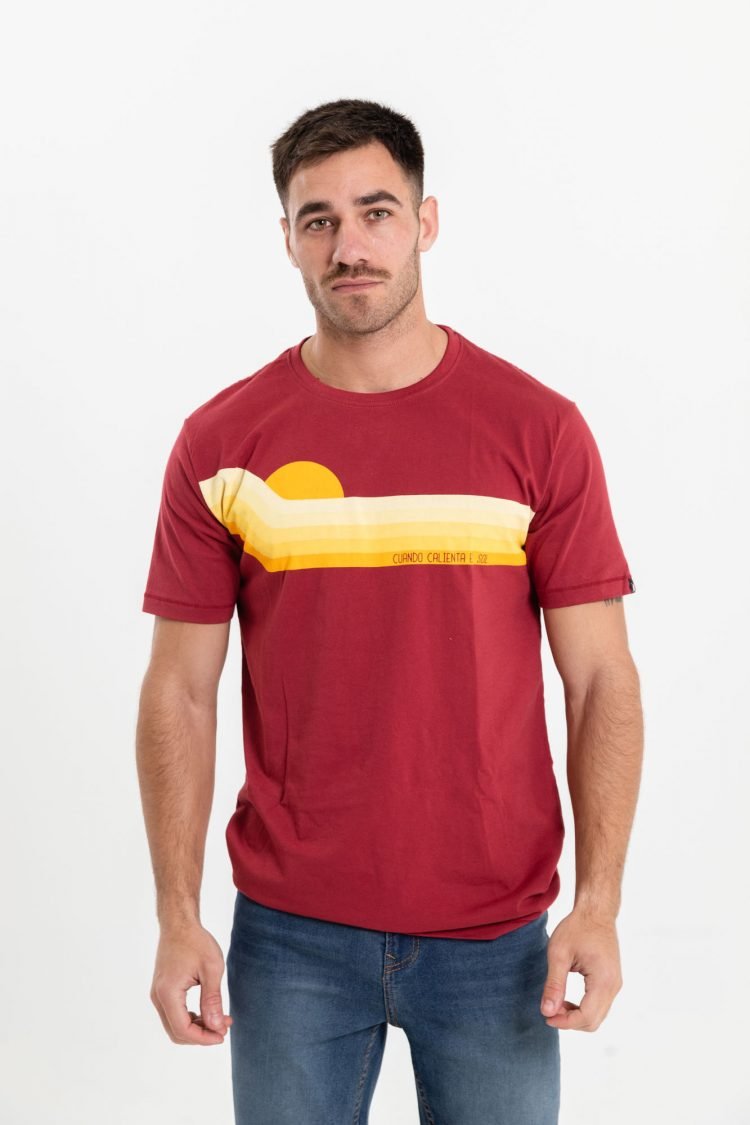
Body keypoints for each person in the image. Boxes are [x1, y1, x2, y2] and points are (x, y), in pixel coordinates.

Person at [136, 97, 644, 1124]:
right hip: (291, 934)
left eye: (376, 212)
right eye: (318, 220)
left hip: (496, 935)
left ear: (426, 221)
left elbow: (600, 679)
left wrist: (598, 904)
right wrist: (178, 916)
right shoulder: (221, 443)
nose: (349, 246)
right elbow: (179, 691)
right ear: (288, 239)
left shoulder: (538, 430)